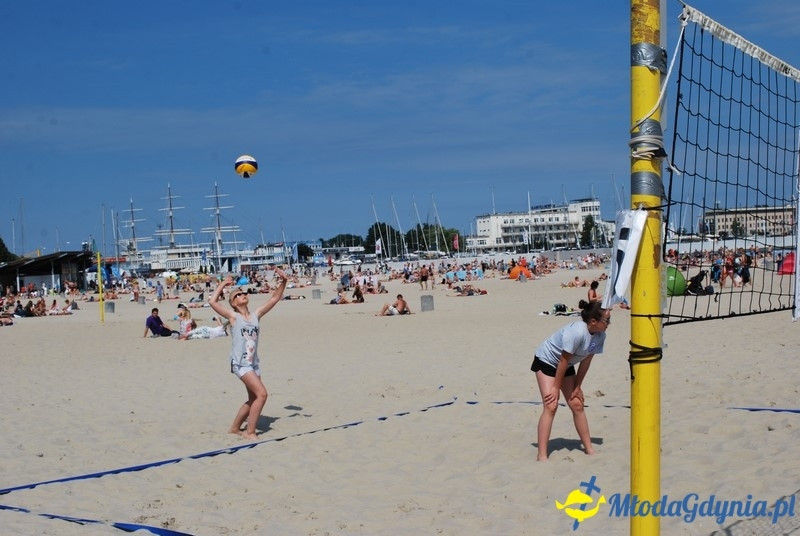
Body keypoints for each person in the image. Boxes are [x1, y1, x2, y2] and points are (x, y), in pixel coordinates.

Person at [209, 269, 289, 440]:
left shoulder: (255, 315)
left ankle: (235, 428)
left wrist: (284, 281)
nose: (243, 294)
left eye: (244, 293)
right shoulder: (233, 317)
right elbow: (212, 302)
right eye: (238, 295)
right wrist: (223, 284)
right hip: (240, 363)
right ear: (233, 303)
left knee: (253, 397)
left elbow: (274, 298)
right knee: (262, 394)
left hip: (253, 363)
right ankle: (250, 432)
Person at [531, 299, 610, 461]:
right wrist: (555, 388)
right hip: (547, 361)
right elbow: (563, 361)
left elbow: (586, 361)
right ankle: (542, 455)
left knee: (576, 403)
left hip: (565, 366)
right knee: (551, 405)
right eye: (607, 320)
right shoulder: (577, 332)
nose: (609, 323)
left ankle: (589, 449)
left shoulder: (600, 335)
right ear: (593, 321)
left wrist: (577, 386)